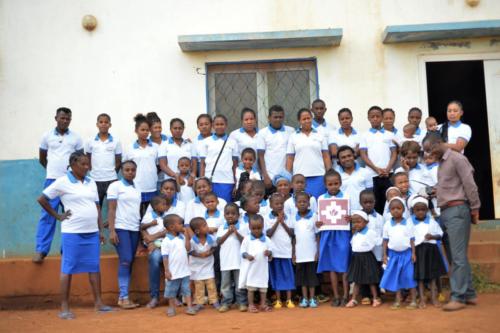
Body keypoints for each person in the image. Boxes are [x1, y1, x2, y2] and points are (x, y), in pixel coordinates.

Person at [37, 152, 111, 319]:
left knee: (94, 267)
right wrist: (58, 216)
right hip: (72, 232)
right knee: (67, 269)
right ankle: (64, 307)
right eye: (83, 164)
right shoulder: (62, 182)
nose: (87, 167)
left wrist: (100, 230)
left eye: (88, 164)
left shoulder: (91, 182)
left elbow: (97, 207)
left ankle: (98, 303)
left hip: (91, 233)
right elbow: (42, 199)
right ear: (73, 164)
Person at [427, 132, 480, 311]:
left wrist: (475, 208)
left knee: (457, 257)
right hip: (446, 212)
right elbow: (449, 185)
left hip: (458, 211)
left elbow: (470, 185)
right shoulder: (442, 163)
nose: (429, 154)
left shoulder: (457, 159)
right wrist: (436, 190)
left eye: (430, 150)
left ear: (438, 143)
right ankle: (469, 293)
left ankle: (458, 297)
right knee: (454, 256)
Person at [34, 107, 84, 263]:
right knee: (47, 216)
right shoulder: (46, 136)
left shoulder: (76, 137)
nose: (65, 121)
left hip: (70, 181)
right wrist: (53, 171)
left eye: (68, 118)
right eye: (62, 118)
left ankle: (67, 251)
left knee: (72, 215)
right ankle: (41, 250)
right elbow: (43, 158)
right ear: (56, 118)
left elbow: (80, 159)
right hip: (52, 180)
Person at [107, 160, 141, 309]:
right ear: (121, 171)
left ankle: (124, 296)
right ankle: (123, 297)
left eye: (133, 170)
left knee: (129, 260)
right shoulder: (115, 186)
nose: (130, 172)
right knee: (126, 259)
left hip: (134, 228)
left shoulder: (137, 188)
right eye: (127, 170)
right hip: (121, 227)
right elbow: (111, 209)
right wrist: (112, 230)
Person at [316, 170, 351, 307]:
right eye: (330, 184)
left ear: (340, 183)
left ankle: (346, 295)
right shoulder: (321, 199)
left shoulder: (346, 197)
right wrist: (318, 223)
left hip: (342, 234)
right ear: (325, 185)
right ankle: (336, 296)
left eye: (336, 183)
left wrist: (350, 218)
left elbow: (350, 216)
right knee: (331, 267)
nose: (333, 186)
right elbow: (319, 219)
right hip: (327, 234)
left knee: (344, 266)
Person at [380, 197, 417, 310]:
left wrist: (413, 254)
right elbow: (385, 241)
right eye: (393, 208)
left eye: (399, 208)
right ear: (389, 210)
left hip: (406, 254)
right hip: (393, 255)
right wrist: (385, 255)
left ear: (403, 210)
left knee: (409, 276)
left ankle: (414, 300)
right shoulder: (387, 224)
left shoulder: (408, 224)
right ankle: (397, 300)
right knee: (396, 277)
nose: (396, 210)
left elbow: (412, 240)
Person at [123, 114, 164, 216]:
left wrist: (151, 174)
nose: (145, 132)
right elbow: (125, 166)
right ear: (136, 131)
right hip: (136, 187)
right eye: (142, 130)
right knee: (137, 215)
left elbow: (158, 166)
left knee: (151, 215)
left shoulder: (155, 147)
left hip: (152, 186)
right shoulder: (129, 148)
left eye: (147, 130)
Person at [286, 108, 332, 199]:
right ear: (299, 121)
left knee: (318, 201)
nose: (307, 121)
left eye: (308, 118)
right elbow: (290, 158)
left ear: (312, 118)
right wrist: (287, 177)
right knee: (302, 204)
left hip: (319, 175)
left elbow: (326, 156)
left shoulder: (320, 135)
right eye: (304, 119)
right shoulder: (293, 136)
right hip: (300, 177)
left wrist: (329, 172)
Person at [359, 106, 397, 214]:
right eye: (372, 117)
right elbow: (363, 154)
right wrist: (377, 169)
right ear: (368, 118)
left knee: (390, 202)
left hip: (388, 174)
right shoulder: (364, 136)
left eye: (378, 116)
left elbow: (394, 153)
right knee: (375, 203)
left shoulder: (389, 135)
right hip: (372, 175)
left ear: (382, 118)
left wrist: (388, 169)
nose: (375, 119)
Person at [410, 196, 446, 309]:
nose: (420, 212)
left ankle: (434, 298)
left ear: (427, 210)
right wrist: (413, 253)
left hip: (431, 251)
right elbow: (409, 238)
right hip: (419, 252)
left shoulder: (432, 221)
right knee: (420, 277)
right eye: (417, 210)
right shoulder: (410, 222)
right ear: (413, 211)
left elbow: (440, 234)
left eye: (423, 209)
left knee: (432, 276)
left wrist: (432, 236)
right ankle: (421, 299)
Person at [162, 214, 197, 316]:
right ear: (172, 227)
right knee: (171, 291)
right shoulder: (166, 241)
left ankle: (190, 307)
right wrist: (167, 270)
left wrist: (186, 236)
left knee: (187, 289)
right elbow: (165, 257)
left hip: (185, 270)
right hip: (173, 271)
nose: (182, 225)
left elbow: (187, 248)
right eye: (180, 223)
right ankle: (171, 308)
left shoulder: (182, 237)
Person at [345, 210, 382, 308]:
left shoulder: (370, 232)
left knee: (370, 280)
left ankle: (375, 298)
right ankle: (353, 299)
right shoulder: (355, 233)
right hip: (357, 259)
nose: (356, 224)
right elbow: (353, 245)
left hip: (367, 258)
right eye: (354, 222)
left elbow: (378, 242)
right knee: (357, 281)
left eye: (359, 221)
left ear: (366, 222)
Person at [217, 203, 249, 312]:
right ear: (224, 215)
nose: (230, 216)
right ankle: (226, 303)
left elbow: (245, 242)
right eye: (227, 213)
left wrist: (236, 232)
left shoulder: (243, 226)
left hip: (239, 261)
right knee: (225, 284)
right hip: (226, 261)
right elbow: (219, 242)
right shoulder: (222, 227)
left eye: (233, 213)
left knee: (240, 283)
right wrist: (228, 232)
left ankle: (241, 303)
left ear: (238, 215)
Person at [239, 214, 274, 313]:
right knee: (251, 288)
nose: (256, 230)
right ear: (249, 227)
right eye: (253, 228)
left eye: (259, 228)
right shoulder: (246, 239)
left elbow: (271, 250)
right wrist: (247, 256)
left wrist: (269, 253)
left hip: (262, 269)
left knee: (263, 288)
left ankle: (263, 304)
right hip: (251, 269)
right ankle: (250, 305)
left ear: (263, 226)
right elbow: (242, 251)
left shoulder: (267, 239)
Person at [265, 193, 295, 309]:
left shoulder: (289, 217)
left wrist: (283, 222)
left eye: (281, 203)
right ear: (271, 205)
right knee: (276, 276)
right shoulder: (267, 218)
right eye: (276, 204)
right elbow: (268, 234)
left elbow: (292, 234)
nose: (279, 206)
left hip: (286, 252)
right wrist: (278, 221)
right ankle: (278, 300)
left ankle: (288, 299)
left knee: (288, 276)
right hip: (275, 253)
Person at [85, 113, 122, 207]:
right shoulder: (90, 141)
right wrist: (93, 171)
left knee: (114, 207)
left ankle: (111, 222)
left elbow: (118, 161)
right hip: (95, 179)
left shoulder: (116, 141)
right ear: (97, 124)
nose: (103, 124)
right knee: (95, 207)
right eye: (101, 122)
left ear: (110, 125)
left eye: (106, 122)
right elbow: (88, 158)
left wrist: (112, 172)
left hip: (112, 179)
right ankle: (97, 222)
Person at [199, 115, 238, 203]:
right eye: (217, 124)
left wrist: (236, 182)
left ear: (226, 125)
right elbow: (202, 164)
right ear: (213, 125)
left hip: (227, 181)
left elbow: (235, 165)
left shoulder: (232, 142)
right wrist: (201, 180)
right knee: (209, 206)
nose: (219, 126)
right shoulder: (206, 142)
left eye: (222, 124)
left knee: (225, 207)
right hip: (209, 181)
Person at [291, 191, 319, 308]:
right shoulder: (293, 218)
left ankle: (312, 298)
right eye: (299, 202)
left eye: (304, 202)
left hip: (311, 253)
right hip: (300, 254)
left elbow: (317, 235)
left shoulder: (314, 216)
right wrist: (293, 253)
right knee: (302, 278)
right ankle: (304, 298)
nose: (302, 204)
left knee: (311, 277)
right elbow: (293, 238)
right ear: (295, 204)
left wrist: (318, 252)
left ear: (309, 204)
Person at [257, 105, 294, 192]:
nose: (278, 119)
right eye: (275, 117)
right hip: (269, 177)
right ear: (269, 118)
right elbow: (260, 157)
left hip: (286, 178)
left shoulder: (291, 131)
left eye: (280, 117)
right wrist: (265, 176)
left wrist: (289, 176)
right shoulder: (262, 133)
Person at [140, 195, 169, 308]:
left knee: (174, 261)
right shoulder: (148, 216)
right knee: (154, 259)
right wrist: (150, 242)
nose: (165, 206)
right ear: (156, 207)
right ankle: (154, 297)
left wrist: (153, 237)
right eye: (163, 204)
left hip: (166, 245)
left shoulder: (167, 216)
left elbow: (169, 230)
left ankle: (172, 296)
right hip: (154, 246)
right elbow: (142, 228)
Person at [189, 217, 220, 310]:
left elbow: (214, 247)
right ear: (197, 231)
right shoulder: (192, 241)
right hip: (196, 267)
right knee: (199, 286)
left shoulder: (211, 238)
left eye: (206, 224)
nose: (207, 227)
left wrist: (210, 252)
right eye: (204, 226)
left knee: (211, 285)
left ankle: (214, 301)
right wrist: (199, 255)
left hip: (208, 266)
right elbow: (190, 252)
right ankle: (199, 303)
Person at [158, 118, 193, 188]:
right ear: (170, 129)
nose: (177, 130)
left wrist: (192, 176)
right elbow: (162, 165)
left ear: (183, 129)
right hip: (170, 184)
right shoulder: (164, 145)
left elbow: (194, 163)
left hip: (188, 182)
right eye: (175, 128)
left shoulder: (190, 145)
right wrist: (177, 176)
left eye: (180, 128)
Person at [336, 145, 371, 211]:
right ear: (339, 160)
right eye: (343, 157)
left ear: (354, 156)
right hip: (343, 212)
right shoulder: (336, 175)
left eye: (349, 156)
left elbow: (370, 194)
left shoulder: (366, 172)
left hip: (362, 211)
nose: (347, 159)